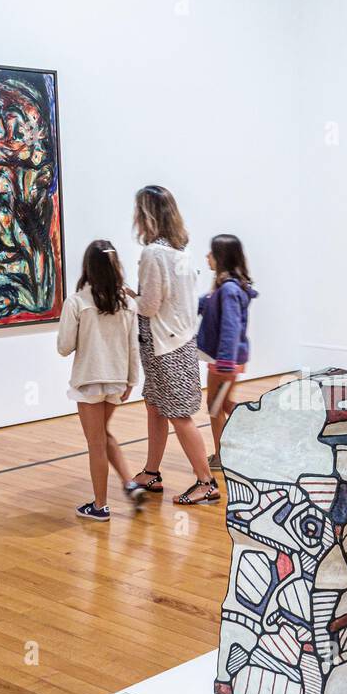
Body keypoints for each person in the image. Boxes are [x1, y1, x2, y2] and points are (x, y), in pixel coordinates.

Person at [128, 186, 219, 505]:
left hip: (164, 347)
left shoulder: (153, 253)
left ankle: (206, 483)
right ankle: (151, 472)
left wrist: (127, 296)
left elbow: (150, 305)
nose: (135, 217)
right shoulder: (182, 252)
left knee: (178, 415)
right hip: (176, 343)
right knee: (155, 408)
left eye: (138, 211)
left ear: (147, 215)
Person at [57, 240, 145, 520]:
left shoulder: (77, 302)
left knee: (96, 442)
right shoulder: (128, 302)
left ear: (88, 267)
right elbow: (134, 346)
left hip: (88, 381)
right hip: (117, 380)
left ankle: (100, 506)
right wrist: (132, 380)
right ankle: (130, 483)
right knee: (103, 435)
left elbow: (63, 347)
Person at [197, 234, 258, 469]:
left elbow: (231, 327)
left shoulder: (229, 290)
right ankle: (252, 428)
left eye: (211, 253)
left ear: (221, 257)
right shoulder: (224, 288)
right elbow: (201, 305)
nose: (207, 257)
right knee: (223, 404)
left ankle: (223, 456)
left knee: (214, 405)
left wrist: (224, 360)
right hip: (228, 358)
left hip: (224, 360)